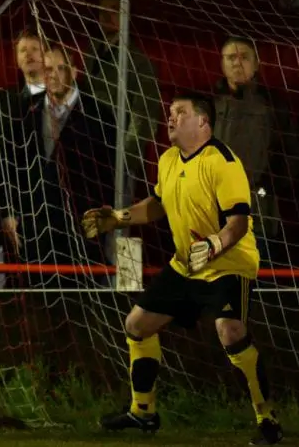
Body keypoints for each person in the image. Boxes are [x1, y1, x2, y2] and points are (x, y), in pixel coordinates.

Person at [82, 91, 282, 445]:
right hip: (186, 264)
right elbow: (158, 204)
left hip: (227, 264)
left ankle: (268, 420)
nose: (170, 118)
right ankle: (143, 412)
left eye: (180, 112)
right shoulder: (169, 159)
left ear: (203, 122)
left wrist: (213, 245)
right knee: (137, 324)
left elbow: (237, 223)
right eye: (170, 112)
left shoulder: (223, 161)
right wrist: (118, 218)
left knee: (230, 331)